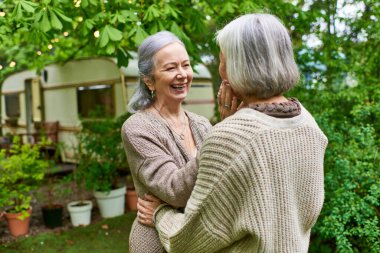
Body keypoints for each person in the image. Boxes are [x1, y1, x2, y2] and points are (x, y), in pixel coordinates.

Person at [137, 13, 328, 252]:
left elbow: (188, 239)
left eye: (222, 60)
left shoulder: (229, 138)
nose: (221, 70)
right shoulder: (309, 125)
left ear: (237, 67)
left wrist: (159, 213)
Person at [121, 31, 212, 253]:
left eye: (186, 65)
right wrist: (219, 143)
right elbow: (175, 190)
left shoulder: (203, 125)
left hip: (200, 237)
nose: (182, 74)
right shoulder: (138, 128)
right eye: (171, 68)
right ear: (149, 80)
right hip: (157, 242)